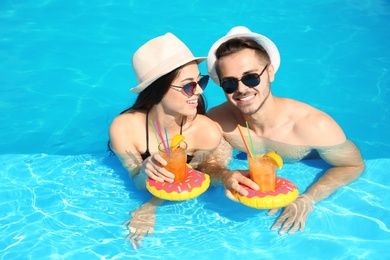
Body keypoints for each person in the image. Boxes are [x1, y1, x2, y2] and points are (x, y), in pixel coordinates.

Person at [203, 26, 365, 235]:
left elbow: (352, 164)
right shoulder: (219, 121)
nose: (241, 89)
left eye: (251, 77)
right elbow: (209, 165)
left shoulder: (314, 126)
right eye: (230, 84)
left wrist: (308, 199)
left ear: (270, 72)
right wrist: (225, 175)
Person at [109, 32, 222, 250]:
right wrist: (143, 170)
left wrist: (151, 205)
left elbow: (190, 180)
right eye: (188, 85)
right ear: (158, 90)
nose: (198, 91)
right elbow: (138, 183)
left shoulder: (206, 132)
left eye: (201, 81)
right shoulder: (124, 128)